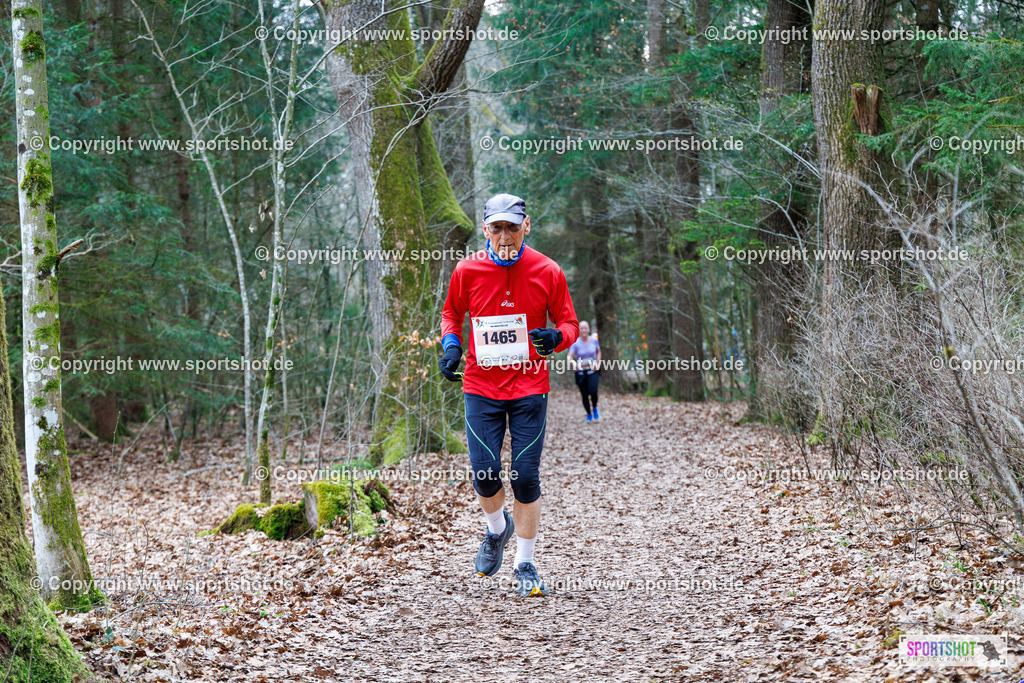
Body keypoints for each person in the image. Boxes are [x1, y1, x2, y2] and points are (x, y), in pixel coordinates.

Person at [438, 193, 579, 598]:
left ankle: (525, 562)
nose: (505, 237)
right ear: (485, 229)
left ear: (526, 226)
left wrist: (556, 338)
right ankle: (497, 529)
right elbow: (452, 314)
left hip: (530, 386)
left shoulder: (547, 271)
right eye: (496, 228)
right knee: (484, 473)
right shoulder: (466, 271)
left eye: (512, 228)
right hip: (481, 386)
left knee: (526, 475)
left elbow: (568, 322)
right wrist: (451, 346)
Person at [568, 321, 601, 421]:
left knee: (593, 391)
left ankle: (595, 407)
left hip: (593, 371)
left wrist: (598, 363)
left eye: (585, 328)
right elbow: (569, 356)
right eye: (581, 328)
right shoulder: (576, 343)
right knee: (584, 394)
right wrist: (574, 364)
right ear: (579, 330)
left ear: (589, 329)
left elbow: (598, 351)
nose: (584, 330)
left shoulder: (594, 340)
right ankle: (588, 414)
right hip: (581, 372)